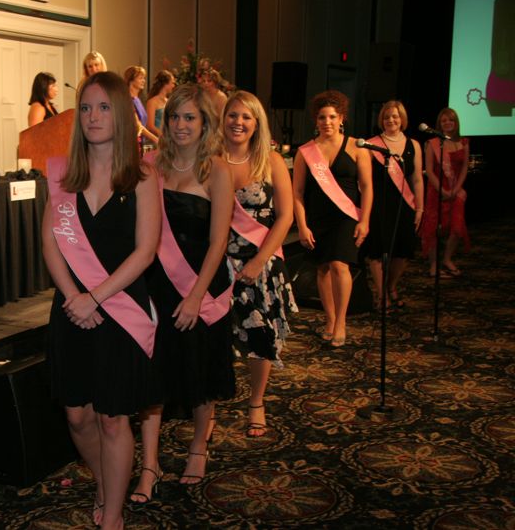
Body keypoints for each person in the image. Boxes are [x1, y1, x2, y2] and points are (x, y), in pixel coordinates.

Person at [42, 71, 161, 530]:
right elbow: (51, 242)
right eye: (86, 109)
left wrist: (96, 297)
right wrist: (76, 297)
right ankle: (106, 483)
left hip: (120, 309)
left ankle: (112, 515)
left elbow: (145, 250)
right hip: (72, 308)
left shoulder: (143, 175)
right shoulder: (62, 174)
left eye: (104, 107)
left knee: (113, 419)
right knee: (77, 417)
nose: (93, 117)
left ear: (122, 114)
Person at [130, 83, 234, 504]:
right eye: (174, 117)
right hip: (155, 287)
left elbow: (218, 242)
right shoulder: (149, 164)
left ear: (205, 123)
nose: (180, 125)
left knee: (199, 373)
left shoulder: (217, 171)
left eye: (189, 117)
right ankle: (149, 464)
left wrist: (195, 297)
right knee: (152, 379)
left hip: (199, 288)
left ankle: (197, 447)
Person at [222, 91, 297, 437]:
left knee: (258, 335)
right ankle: (209, 401)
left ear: (257, 123)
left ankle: (256, 402)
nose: (238, 122)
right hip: (216, 262)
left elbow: (285, 217)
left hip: (261, 263)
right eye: (233, 115)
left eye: (246, 117)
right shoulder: (210, 159)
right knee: (215, 337)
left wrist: (257, 262)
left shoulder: (272, 161)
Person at [292, 90, 372, 347]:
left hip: (346, 216)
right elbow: (298, 192)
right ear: (316, 121)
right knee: (323, 268)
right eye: (322, 117)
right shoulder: (306, 151)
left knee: (340, 265)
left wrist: (365, 220)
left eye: (332, 117)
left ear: (342, 119)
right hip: (317, 217)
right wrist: (302, 226)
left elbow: (367, 187)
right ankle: (330, 319)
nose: (327, 122)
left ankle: (341, 323)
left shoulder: (357, 147)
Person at [363, 100, 424, 307]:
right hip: (378, 205)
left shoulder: (413, 145)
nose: (391, 120)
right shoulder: (371, 145)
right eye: (387, 116)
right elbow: (364, 181)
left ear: (402, 119)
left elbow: (417, 179)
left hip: (404, 204)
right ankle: (382, 294)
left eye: (395, 116)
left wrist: (420, 208)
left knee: (403, 251)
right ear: (382, 119)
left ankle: (391, 286)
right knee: (378, 250)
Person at [420, 107, 470, 277]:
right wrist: (442, 190)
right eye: (444, 121)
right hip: (436, 191)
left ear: (456, 123)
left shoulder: (463, 142)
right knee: (433, 229)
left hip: (456, 190)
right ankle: (433, 265)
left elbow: (464, 168)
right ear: (439, 124)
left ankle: (447, 259)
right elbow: (428, 170)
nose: (448, 123)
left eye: (451, 120)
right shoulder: (432, 143)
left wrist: (455, 190)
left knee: (457, 227)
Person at [124, 65, 159, 147]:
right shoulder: (128, 100)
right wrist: (156, 139)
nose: (143, 81)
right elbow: (138, 125)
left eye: (144, 78)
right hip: (131, 143)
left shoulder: (138, 99)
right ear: (131, 80)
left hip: (140, 142)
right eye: (140, 78)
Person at [145, 70, 176, 138]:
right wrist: (163, 136)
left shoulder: (168, 101)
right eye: (172, 83)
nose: (173, 86)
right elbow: (150, 126)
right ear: (166, 84)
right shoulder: (152, 102)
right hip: (157, 140)